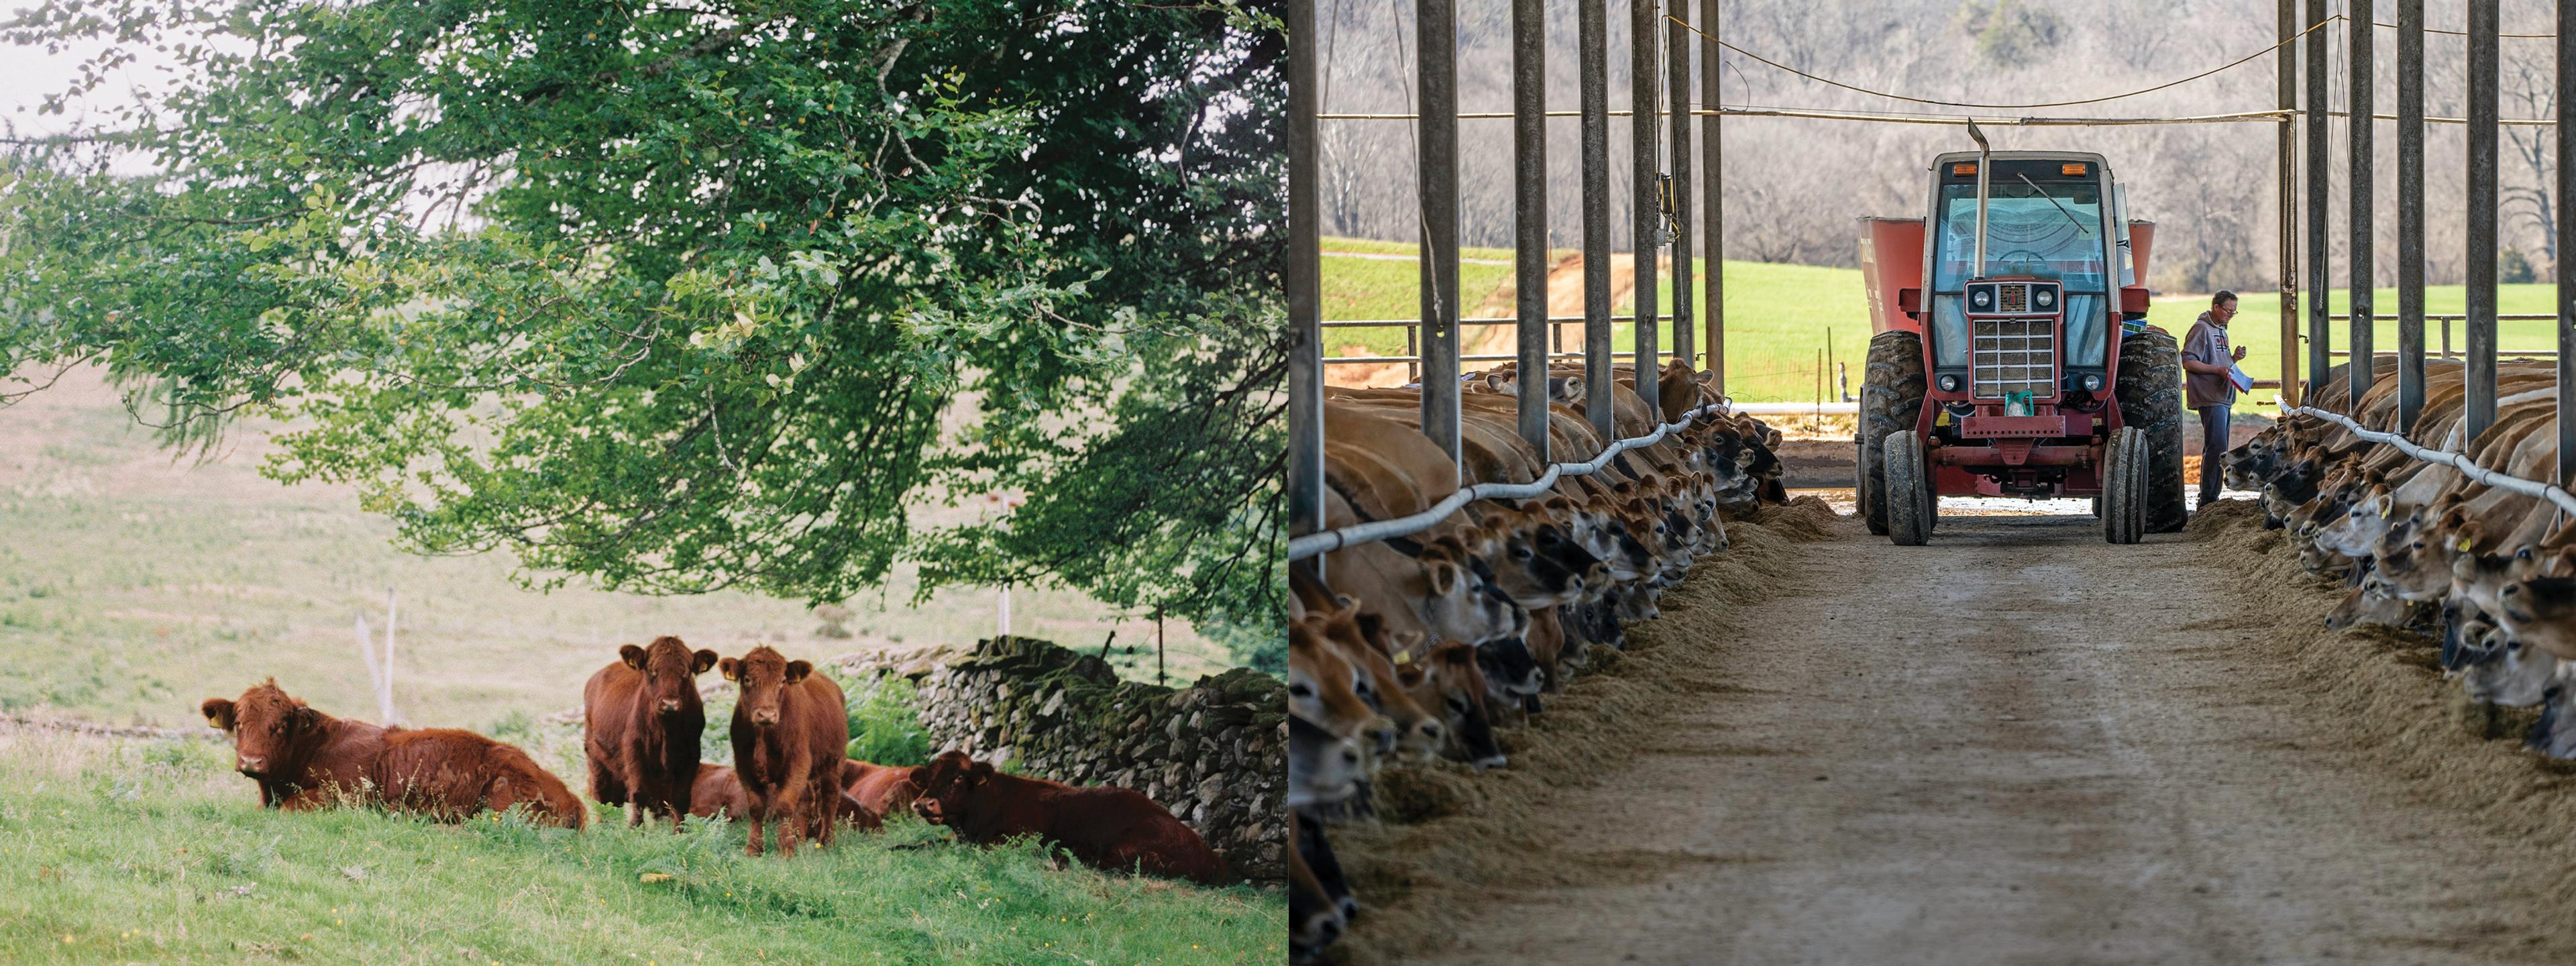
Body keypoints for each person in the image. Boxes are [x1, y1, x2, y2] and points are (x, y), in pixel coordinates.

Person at [2179, 291, 2248, 513]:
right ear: (2216, 307)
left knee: (2220, 447)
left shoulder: (2220, 330)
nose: (2230, 315)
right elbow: (2188, 361)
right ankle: (2207, 500)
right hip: (2210, 396)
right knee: (2217, 447)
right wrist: (2218, 370)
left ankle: (2212, 497)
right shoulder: (2201, 329)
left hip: (2223, 396)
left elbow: (2220, 360)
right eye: (2228, 311)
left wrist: (2233, 359)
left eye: (2233, 312)